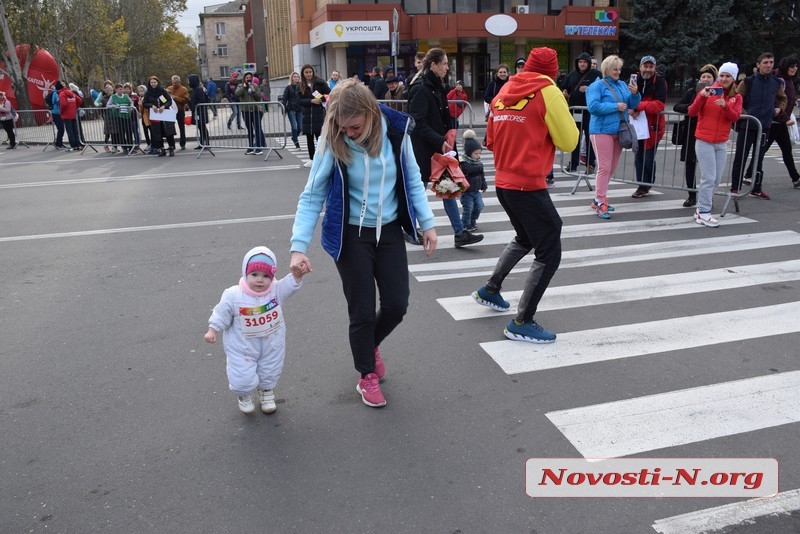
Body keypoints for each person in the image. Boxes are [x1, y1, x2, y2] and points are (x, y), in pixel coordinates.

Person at [289, 78, 438, 408]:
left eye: (354, 127)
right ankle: (366, 375)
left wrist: (427, 224)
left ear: (371, 113)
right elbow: (312, 195)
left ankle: (367, 346)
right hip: (350, 236)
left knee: (397, 304)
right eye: (343, 127)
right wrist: (298, 247)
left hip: (388, 233)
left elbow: (413, 180)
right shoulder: (334, 140)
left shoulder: (396, 133)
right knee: (361, 311)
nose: (349, 133)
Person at [471, 47, 579, 343]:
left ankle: (491, 289)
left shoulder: (504, 89)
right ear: (553, 71)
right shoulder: (549, 92)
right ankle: (522, 320)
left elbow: (490, 139)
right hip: (528, 184)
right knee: (550, 249)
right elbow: (569, 142)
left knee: (526, 237)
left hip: (504, 183)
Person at [204, 247, 304, 414]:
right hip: (242, 347)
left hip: (272, 344)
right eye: (254, 275)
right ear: (245, 273)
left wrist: (297, 275)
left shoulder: (275, 291)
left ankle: (267, 392)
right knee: (242, 376)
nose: (260, 280)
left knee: (270, 370)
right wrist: (212, 329)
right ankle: (243, 394)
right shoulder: (233, 295)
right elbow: (221, 313)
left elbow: (290, 285)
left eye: (266, 276)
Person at [409, 48, 483, 247]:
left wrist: (448, 137)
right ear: (433, 65)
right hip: (425, 150)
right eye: (444, 63)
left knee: (448, 189)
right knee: (419, 190)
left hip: (441, 148)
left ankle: (459, 233)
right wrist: (438, 139)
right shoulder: (420, 87)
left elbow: (443, 115)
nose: (447, 67)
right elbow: (417, 122)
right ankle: (410, 228)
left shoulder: (436, 85)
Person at [687, 62, 743, 228]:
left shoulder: (736, 97)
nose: (724, 79)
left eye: (728, 76)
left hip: (721, 142)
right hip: (704, 140)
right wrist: (702, 96)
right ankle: (704, 211)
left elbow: (735, 117)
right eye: (722, 75)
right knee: (708, 178)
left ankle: (701, 210)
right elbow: (691, 111)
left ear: (733, 79)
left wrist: (725, 106)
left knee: (716, 179)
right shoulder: (709, 90)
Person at [586, 55, 641, 219]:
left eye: (619, 68)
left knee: (610, 168)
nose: (618, 71)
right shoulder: (596, 86)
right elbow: (593, 107)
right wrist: (614, 106)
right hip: (601, 130)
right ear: (607, 69)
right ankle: (600, 200)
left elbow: (632, 104)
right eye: (615, 69)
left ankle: (598, 198)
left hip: (619, 131)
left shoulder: (623, 85)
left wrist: (635, 94)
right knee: (604, 167)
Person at [731, 53, 788, 199]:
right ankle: (735, 188)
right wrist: (745, 113)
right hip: (748, 125)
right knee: (740, 157)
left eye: (771, 62)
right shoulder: (748, 81)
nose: (768, 65)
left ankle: (756, 188)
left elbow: (783, 98)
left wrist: (779, 109)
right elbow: (737, 99)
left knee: (759, 158)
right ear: (758, 65)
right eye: (765, 62)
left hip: (765, 126)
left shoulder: (776, 82)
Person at [673, 64, 718, 207]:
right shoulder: (692, 91)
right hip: (691, 132)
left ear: (713, 79)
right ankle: (692, 195)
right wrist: (692, 107)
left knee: (709, 167)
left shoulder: (718, 93)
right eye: (703, 76)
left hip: (709, 131)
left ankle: (708, 196)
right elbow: (677, 106)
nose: (705, 79)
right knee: (690, 163)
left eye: (709, 77)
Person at [630, 55, 667, 198]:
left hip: (653, 126)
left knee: (648, 158)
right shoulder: (634, 80)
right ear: (640, 67)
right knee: (638, 157)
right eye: (645, 66)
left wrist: (637, 106)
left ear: (654, 68)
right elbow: (627, 98)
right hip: (637, 125)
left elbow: (659, 105)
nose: (648, 69)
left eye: (651, 67)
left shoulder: (660, 82)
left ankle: (648, 182)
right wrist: (631, 106)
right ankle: (642, 186)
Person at [760, 56, 800, 188]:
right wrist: (785, 117)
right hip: (774, 121)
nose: (794, 68)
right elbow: (775, 101)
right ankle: (748, 174)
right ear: (785, 67)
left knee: (785, 150)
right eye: (791, 66)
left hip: (779, 122)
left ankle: (795, 178)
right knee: (764, 150)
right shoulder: (780, 80)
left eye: (796, 66)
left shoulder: (788, 80)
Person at [561, 52, 602, 173]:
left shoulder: (596, 74)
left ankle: (590, 164)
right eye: (580, 62)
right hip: (575, 112)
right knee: (575, 138)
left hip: (590, 112)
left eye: (584, 62)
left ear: (589, 63)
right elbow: (565, 87)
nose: (582, 64)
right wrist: (565, 92)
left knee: (590, 138)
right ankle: (573, 164)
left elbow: (602, 89)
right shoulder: (572, 75)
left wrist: (589, 89)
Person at [297, 64, 329, 165]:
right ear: (303, 74)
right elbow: (299, 100)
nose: (308, 74)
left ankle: (322, 158)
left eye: (310, 72)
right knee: (309, 138)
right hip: (307, 115)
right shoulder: (300, 85)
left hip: (318, 114)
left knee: (320, 138)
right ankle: (312, 159)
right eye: (306, 72)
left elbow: (329, 94)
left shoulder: (320, 83)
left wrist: (319, 98)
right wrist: (311, 101)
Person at [141, 75, 176, 157]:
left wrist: (164, 106)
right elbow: (144, 103)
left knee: (169, 131)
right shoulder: (148, 93)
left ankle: (171, 148)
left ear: (158, 82)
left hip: (165, 114)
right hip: (155, 115)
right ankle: (162, 149)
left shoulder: (162, 91)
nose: (153, 84)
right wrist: (152, 106)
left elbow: (169, 101)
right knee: (157, 132)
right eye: (151, 82)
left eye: (155, 82)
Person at [460, 130, 486, 232]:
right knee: (468, 209)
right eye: (476, 153)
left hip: (476, 191)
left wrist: (483, 186)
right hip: (466, 192)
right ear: (469, 152)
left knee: (479, 206)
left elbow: (482, 176)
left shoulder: (479, 164)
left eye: (479, 153)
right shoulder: (463, 164)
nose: (478, 156)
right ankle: (466, 224)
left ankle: (472, 221)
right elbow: (459, 177)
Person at [236, 71, 266, 155]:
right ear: (244, 79)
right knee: (249, 129)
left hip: (255, 110)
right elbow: (237, 94)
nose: (248, 79)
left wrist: (253, 90)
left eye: (250, 78)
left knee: (257, 128)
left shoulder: (255, 86)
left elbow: (259, 97)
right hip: (246, 111)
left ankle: (259, 147)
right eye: (247, 78)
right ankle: (251, 147)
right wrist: (244, 87)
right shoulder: (240, 86)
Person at [55, 81, 83, 152]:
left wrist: (61, 112)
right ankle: (77, 145)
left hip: (66, 115)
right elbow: (79, 100)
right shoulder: (71, 92)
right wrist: (74, 108)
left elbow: (63, 104)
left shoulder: (62, 94)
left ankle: (73, 146)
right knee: (75, 130)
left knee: (69, 131)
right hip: (73, 114)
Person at [107, 83, 133, 153]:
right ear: (116, 90)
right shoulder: (113, 97)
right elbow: (108, 105)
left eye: (122, 89)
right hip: (118, 117)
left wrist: (131, 107)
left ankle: (130, 147)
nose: (121, 90)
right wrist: (114, 106)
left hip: (127, 116)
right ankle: (124, 147)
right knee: (121, 132)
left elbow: (131, 103)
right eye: (120, 89)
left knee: (129, 131)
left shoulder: (126, 96)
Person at [167, 75, 189, 150]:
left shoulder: (183, 89)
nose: (174, 85)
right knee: (170, 127)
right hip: (171, 111)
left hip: (180, 110)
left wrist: (175, 98)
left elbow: (185, 100)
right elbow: (164, 98)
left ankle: (183, 143)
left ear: (179, 82)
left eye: (176, 83)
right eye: (173, 83)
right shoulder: (169, 89)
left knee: (181, 127)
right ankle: (172, 144)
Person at [188, 74, 210, 149]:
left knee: (202, 127)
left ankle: (207, 143)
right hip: (197, 111)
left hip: (200, 111)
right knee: (200, 127)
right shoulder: (195, 89)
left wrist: (194, 106)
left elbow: (202, 100)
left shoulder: (198, 89)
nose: (188, 82)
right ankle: (202, 143)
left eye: (189, 81)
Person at [282, 72, 303, 149]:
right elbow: (284, 99)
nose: (296, 78)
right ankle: (296, 141)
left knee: (300, 128)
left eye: (297, 76)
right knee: (294, 127)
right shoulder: (288, 87)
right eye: (294, 76)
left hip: (299, 109)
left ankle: (294, 137)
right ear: (292, 78)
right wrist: (283, 109)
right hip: (291, 109)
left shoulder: (301, 87)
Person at [47, 85, 66, 149]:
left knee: (60, 129)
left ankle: (59, 143)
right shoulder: (56, 94)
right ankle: (59, 143)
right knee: (61, 129)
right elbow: (59, 103)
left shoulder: (55, 93)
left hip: (56, 112)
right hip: (56, 113)